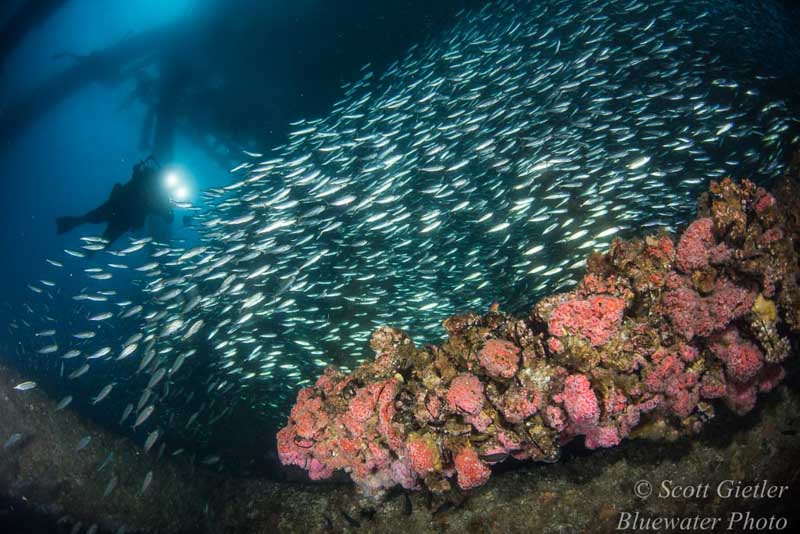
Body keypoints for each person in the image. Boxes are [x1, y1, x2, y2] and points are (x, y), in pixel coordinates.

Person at [56, 157, 174, 245]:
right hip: (119, 209)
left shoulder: (161, 195)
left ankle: (85, 257)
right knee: (93, 222)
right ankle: (67, 226)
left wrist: (168, 207)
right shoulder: (147, 177)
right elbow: (136, 172)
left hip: (122, 214)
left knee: (101, 236)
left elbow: (167, 217)